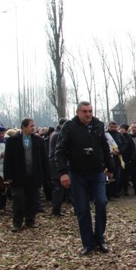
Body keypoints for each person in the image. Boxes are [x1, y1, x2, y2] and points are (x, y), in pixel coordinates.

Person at [56, 102, 115, 256]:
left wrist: (111, 168)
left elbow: (105, 148)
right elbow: (60, 151)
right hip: (77, 173)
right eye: (84, 112)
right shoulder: (69, 127)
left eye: (90, 111)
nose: (88, 114)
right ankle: (87, 243)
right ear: (78, 112)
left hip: (97, 172)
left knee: (102, 202)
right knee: (82, 209)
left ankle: (99, 238)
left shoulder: (98, 125)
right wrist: (63, 172)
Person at [4, 118, 50, 232]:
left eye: (34, 126)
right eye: (31, 126)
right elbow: (8, 160)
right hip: (17, 176)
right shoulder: (12, 141)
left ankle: (30, 220)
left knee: (31, 199)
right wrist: (8, 176)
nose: (33, 128)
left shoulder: (38, 140)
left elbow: (44, 158)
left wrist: (45, 175)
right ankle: (17, 222)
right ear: (24, 127)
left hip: (33, 175)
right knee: (18, 199)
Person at [48, 118, 68, 216]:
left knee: (61, 189)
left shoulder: (56, 134)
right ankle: (56, 210)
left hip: (55, 163)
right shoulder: (58, 135)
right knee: (59, 189)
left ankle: (57, 209)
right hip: (56, 164)